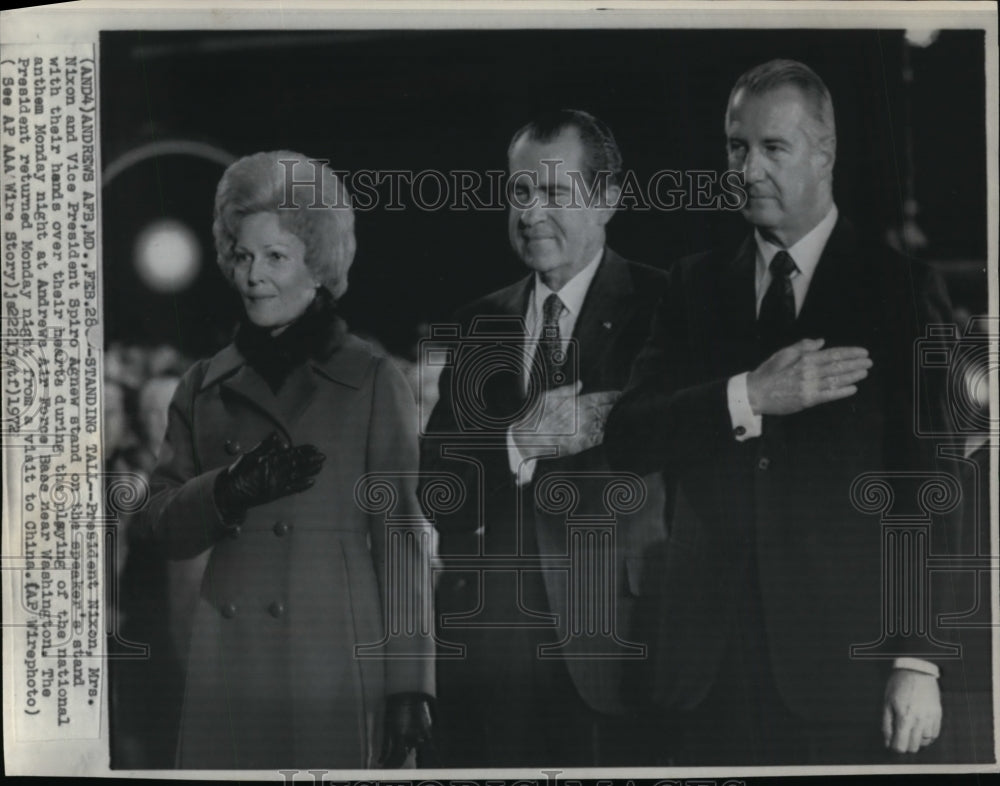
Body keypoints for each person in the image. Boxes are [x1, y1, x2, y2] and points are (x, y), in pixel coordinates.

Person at [604, 60, 954, 765]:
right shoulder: (693, 286)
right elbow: (628, 435)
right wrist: (749, 397)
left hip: (844, 673)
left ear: (825, 153)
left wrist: (918, 660)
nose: (748, 168)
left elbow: (931, 488)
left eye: (773, 148)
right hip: (705, 670)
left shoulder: (901, 290)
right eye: (736, 147)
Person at [133, 151, 434, 769]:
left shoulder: (373, 379)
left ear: (318, 266)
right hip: (230, 666)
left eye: (276, 257)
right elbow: (158, 525)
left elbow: (400, 536)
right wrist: (227, 490)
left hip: (336, 661)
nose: (253, 276)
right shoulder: (201, 385)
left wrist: (410, 683)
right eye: (243, 255)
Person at [421, 110, 669, 766]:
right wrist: (515, 444)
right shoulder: (480, 322)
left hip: (623, 636)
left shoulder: (664, 306)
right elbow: (437, 489)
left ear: (608, 199)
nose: (530, 213)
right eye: (519, 192)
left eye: (555, 194)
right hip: (494, 651)